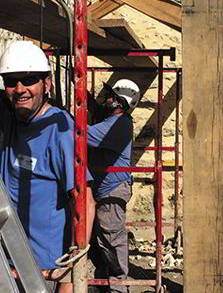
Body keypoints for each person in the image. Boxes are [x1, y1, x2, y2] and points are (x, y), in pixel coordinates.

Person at [0, 40, 95, 293]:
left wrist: (71, 276)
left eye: (29, 80)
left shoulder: (60, 130)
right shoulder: (11, 112)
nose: (20, 89)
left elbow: (85, 201)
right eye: (11, 81)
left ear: (47, 84)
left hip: (47, 269)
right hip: (11, 258)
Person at [87, 79, 139, 293]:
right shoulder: (113, 120)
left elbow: (85, 135)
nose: (105, 99)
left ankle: (119, 287)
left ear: (119, 101)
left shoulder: (119, 124)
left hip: (112, 189)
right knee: (100, 239)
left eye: (110, 96)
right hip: (105, 188)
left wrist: (61, 119)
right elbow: (98, 111)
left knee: (111, 238)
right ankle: (104, 282)